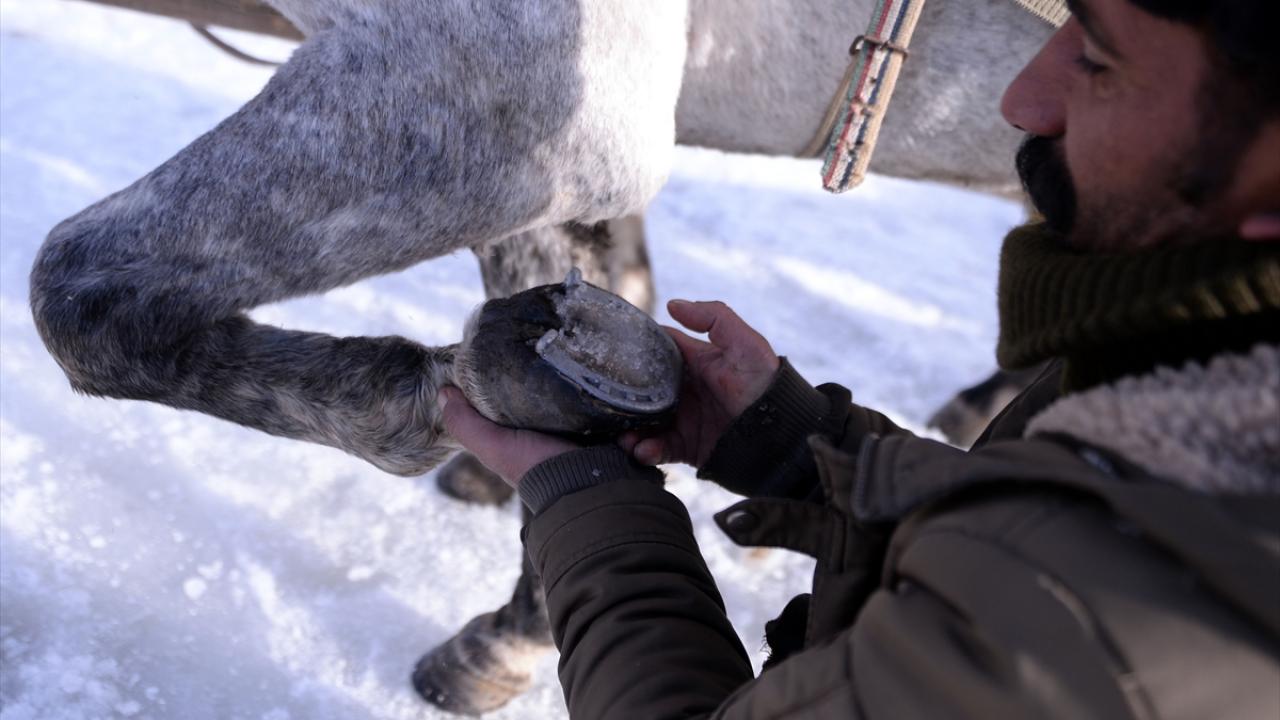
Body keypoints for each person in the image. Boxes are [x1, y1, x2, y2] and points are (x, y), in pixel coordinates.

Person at [438, 0, 1280, 716]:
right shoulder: (1206, 375)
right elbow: (1042, 520)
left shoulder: (1100, 621)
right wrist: (795, 445)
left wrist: (586, 501)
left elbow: (1038, 569)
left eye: (1098, 59)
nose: (1021, 101)